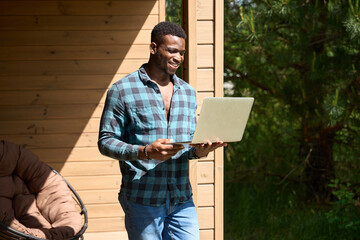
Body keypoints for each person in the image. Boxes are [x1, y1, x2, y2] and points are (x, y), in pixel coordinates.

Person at [98, 21, 226, 240]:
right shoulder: (122, 90)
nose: (178, 57)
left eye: (182, 53)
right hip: (142, 198)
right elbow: (106, 141)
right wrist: (145, 151)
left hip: (181, 198)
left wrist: (201, 150)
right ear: (154, 48)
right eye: (172, 51)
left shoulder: (187, 92)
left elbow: (188, 145)